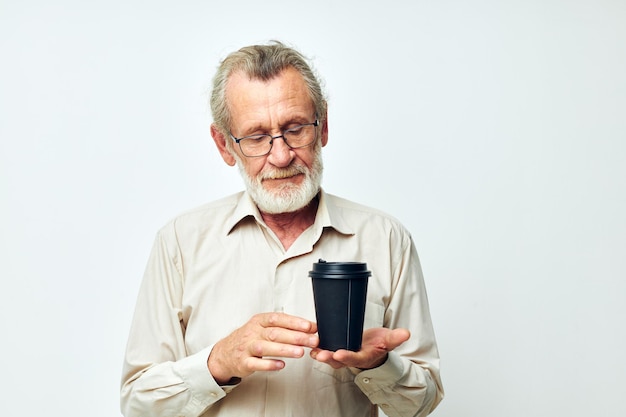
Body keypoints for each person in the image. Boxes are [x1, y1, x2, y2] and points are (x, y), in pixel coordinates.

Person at [120, 41, 444, 417]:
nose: (281, 155)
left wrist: (377, 365)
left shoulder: (386, 239)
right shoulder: (179, 241)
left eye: (295, 129)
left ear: (323, 127)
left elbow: (421, 403)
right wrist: (218, 363)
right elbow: (138, 403)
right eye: (256, 137)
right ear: (225, 145)